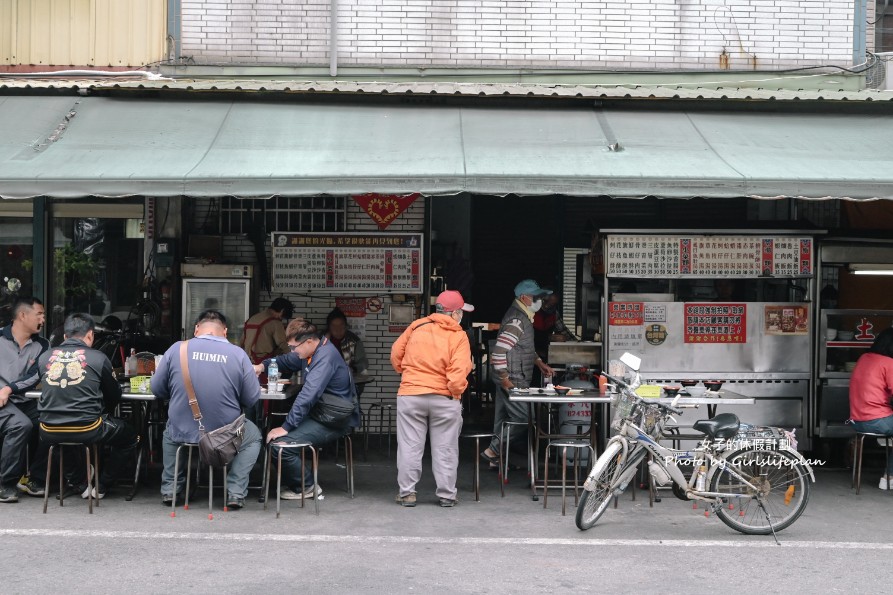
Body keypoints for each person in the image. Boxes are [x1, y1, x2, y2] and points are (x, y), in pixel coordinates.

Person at [151, 309, 262, 510]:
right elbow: (251, 398)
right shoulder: (238, 354)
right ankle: (235, 492)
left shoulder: (177, 349)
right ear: (225, 332)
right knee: (253, 436)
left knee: (170, 431)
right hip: (225, 435)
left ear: (196, 329)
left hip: (184, 430)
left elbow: (157, 389)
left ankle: (171, 489)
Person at [34, 313, 139, 499]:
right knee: (130, 436)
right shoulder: (98, 357)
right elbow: (114, 394)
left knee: (60, 439)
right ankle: (102, 485)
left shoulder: (44, 357)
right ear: (90, 335)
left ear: (65, 336)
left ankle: (79, 483)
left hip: (47, 428)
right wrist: (103, 410)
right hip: (88, 427)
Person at [390, 290, 474, 507]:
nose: (461, 316)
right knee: (445, 448)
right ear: (454, 313)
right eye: (461, 312)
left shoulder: (416, 327)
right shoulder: (458, 335)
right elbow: (458, 374)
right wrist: (456, 392)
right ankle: (447, 495)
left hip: (411, 395)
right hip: (444, 398)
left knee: (409, 446)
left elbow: (396, 355)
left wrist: (409, 375)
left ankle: (407, 493)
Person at [260, 320, 359, 500]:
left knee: (279, 447)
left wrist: (287, 426)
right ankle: (294, 480)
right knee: (270, 432)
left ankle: (306, 486)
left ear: (308, 342)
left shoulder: (325, 357)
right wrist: (262, 366)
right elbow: (285, 361)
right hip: (321, 413)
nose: (292, 351)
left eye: (293, 347)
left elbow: (308, 395)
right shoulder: (310, 352)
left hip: (333, 419)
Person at [481, 280, 555, 467]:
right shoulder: (517, 320)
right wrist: (505, 380)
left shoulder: (524, 316)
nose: (541, 301)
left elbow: (522, 346)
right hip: (513, 377)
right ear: (524, 298)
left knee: (502, 418)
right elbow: (498, 352)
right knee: (523, 418)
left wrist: (538, 362)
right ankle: (493, 450)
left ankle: (494, 459)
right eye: (537, 297)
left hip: (511, 374)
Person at [0, 297, 49, 503]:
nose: (43, 319)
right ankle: (6, 484)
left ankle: (35, 478)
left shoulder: (42, 345)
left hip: (22, 399)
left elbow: (34, 376)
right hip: (1, 402)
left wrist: (8, 389)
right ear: (22, 315)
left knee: (52, 421)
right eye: (39, 314)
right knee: (21, 425)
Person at [849, 327, 893, 490]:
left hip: (857, 421)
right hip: (876, 421)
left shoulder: (864, 358)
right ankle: (889, 476)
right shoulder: (888, 363)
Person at [240, 297, 294, 364]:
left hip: (247, 360)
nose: (281, 319)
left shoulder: (253, 318)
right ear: (282, 311)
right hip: (263, 362)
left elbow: (242, 341)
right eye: (282, 317)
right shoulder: (275, 322)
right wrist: (292, 357)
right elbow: (282, 343)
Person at [533, 292, 575, 358]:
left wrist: (576, 344)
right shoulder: (531, 312)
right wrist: (549, 337)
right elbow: (526, 336)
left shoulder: (554, 313)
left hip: (546, 353)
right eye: (547, 302)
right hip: (531, 352)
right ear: (542, 299)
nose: (548, 305)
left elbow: (563, 330)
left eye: (553, 304)